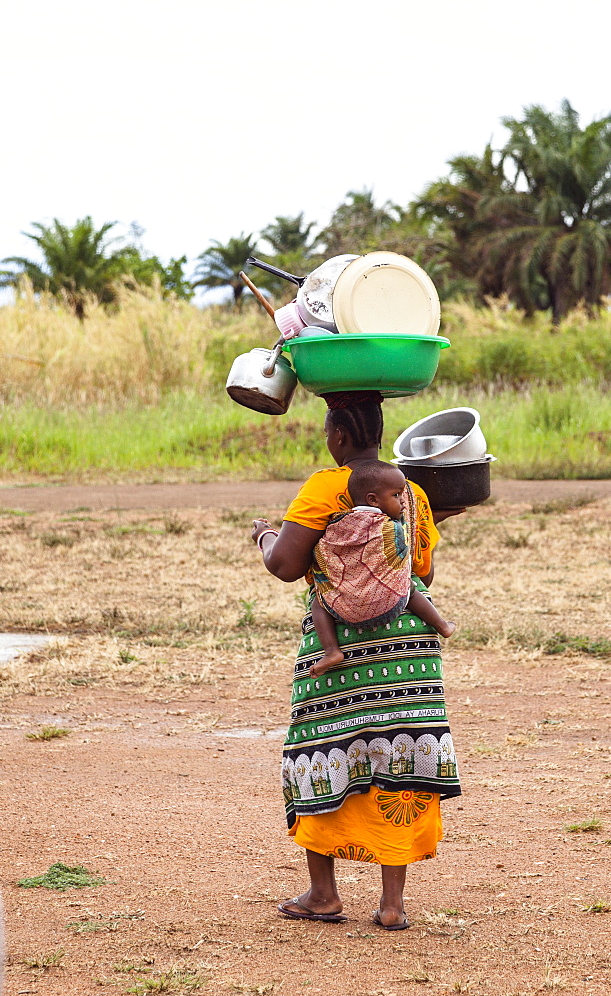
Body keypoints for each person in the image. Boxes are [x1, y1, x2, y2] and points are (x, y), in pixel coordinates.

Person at [251, 391, 461, 931]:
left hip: (337, 651)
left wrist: (264, 535)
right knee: (403, 759)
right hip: (406, 650)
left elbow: (285, 565)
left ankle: (324, 894)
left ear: (339, 437)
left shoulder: (327, 486)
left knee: (319, 752)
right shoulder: (409, 491)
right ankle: (392, 905)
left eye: (328, 433)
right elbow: (424, 574)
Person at [309, 459, 455, 677]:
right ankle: (442, 626)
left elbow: (327, 549)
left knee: (318, 602)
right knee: (409, 587)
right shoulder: (390, 526)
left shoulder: (340, 522)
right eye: (396, 496)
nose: (403, 503)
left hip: (344, 604)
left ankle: (332, 651)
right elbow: (403, 547)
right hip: (388, 602)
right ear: (373, 500)